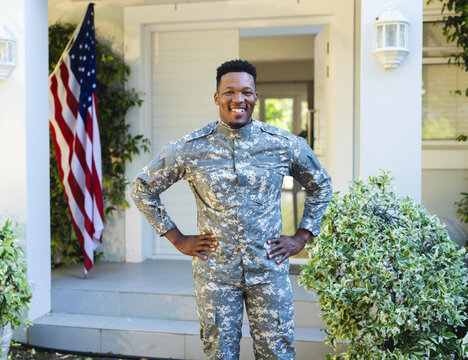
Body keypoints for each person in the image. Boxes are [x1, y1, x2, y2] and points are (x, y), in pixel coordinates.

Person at [131, 59, 332, 359]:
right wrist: (178, 238)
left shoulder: (283, 145)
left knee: (277, 353)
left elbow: (321, 184)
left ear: (255, 96)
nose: (238, 99)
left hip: (268, 272)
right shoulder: (190, 147)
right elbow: (142, 188)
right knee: (219, 354)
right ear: (216, 97)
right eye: (229, 91)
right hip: (215, 275)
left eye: (246, 92)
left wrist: (301, 236)